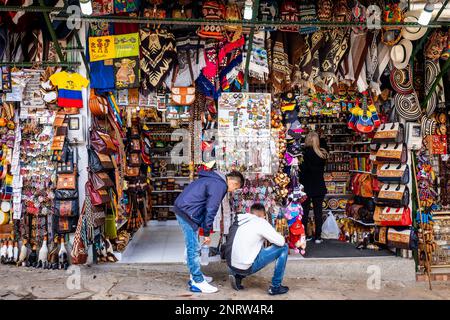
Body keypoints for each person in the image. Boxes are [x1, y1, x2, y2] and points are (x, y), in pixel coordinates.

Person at [174, 170, 244, 294]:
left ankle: (195, 275)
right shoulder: (220, 185)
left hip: (187, 210)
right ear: (233, 183)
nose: (232, 191)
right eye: (235, 188)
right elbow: (211, 209)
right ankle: (197, 281)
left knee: (193, 247)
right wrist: (206, 232)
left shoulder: (215, 179)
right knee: (193, 248)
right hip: (187, 212)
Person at [226, 203, 289, 295]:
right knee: (284, 247)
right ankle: (276, 287)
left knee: (254, 243)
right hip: (246, 268)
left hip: (231, 265)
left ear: (250, 212)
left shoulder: (239, 220)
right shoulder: (261, 222)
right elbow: (281, 242)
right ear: (263, 215)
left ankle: (237, 276)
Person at [299, 131, 329, 244]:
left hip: (306, 187)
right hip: (319, 186)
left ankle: (304, 235)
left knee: (304, 212)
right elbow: (326, 149)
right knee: (318, 212)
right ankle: (318, 236)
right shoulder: (322, 154)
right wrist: (323, 139)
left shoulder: (303, 154)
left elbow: (301, 172)